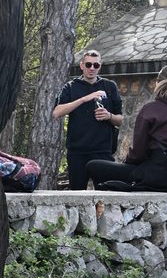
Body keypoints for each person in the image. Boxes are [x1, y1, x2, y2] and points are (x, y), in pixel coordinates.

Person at [85, 64, 167, 192]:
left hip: (158, 176)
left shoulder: (150, 109)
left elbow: (138, 153)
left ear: (157, 83)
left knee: (93, 166)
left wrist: (128, 163)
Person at [52, 50, 123, 189]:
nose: (92, 68)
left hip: (102, 151)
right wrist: (84, 99)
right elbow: (57, 112)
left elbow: (120, 120)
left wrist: (109, 116)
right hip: (77, 151)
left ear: (100, 66)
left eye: (96, 65)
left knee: (106, 193)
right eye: (88, 64)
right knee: (77, 194)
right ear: (82, 65)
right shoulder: (71, 86)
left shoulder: (109, 86)